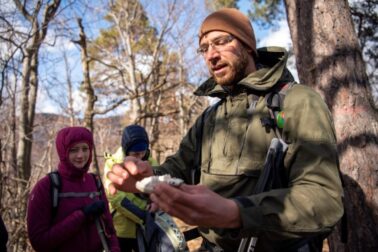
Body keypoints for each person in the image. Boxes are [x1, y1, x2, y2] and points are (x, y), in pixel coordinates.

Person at [107, 8, 344, 252]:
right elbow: (177, 168)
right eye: (204, 48)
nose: (211, 55)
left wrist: (236, 213)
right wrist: (147, 177)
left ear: (248, 45)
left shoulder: (296, 102)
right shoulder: (211, 116)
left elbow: (324, 198)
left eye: (221, 42)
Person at [27, 126, 120, 252]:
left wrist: (114, 248)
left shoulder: (95, 181)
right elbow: (39, 242)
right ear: (63, 152)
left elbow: (109, 228)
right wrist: (82, 215)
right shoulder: (46, 187)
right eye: (73, 150)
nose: (80, 155)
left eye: (85, 149)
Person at [103, 125, 158, 252]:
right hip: (121, 229)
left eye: (143, 152)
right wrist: (142, 215)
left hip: (146, 229)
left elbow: (157, 188)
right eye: (135, 153)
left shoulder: (150, 162)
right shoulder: (112, 164)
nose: (140, 156)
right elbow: (115, 197)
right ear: (126, 150)